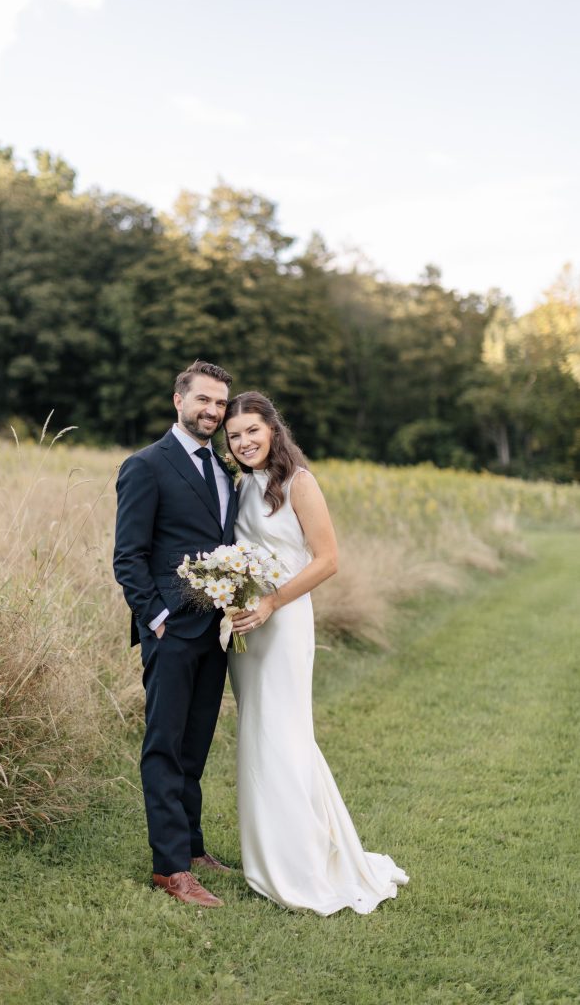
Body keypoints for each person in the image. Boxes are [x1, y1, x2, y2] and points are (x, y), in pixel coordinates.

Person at [224, 391, 409, 915]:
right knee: (259, 734)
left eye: (252, 432)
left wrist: (271, 603)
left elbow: (328, 560)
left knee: (282, 733)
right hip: (248, 627)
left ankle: (298, 863)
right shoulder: (241, 485)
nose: (243, 443)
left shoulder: (298, 482)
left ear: (273, 429)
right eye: (234, 436)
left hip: (282, 622)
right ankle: (270, 853)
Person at [113, 361, 238, 908]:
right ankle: (170, 870)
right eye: (203, 400)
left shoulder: (225, 472)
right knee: (164, 746)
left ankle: (191, 844)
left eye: (220, 404)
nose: (212, 411)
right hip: (171, 631)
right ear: (178, 400)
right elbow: (128, 557)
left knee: (195, 744)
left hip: (215, 632)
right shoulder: (146, 466)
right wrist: (156, 619)